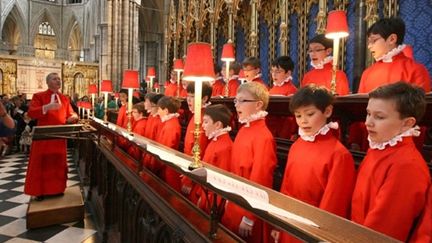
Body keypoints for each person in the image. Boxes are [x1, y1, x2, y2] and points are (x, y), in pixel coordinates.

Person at [273, 85, 356, 243]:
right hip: (290, 220)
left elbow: (334, 204)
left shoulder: (339, 154)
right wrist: (279, 225)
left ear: (327, 111)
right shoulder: (297, 145)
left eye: (310, 114)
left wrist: (321, 236)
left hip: (313, 227)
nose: (303, 121)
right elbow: (285, 187)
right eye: (298, 116)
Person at [351, 82, 431, 242]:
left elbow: (386, 228)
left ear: (407, 123)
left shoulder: (407, 165)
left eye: (379, 117)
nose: (368, 122)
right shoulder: (379, 148)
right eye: (368, 113)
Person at [221, 82, 277, 243]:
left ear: (258, 105)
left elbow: (261, 179)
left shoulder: (263, 137)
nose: (237, 105)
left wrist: (249, 217)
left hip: (248, 207)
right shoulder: (244, 129)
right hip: (235, 201)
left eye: (242, 101)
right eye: (236, 101)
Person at [24, 72, 78, 201]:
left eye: (59, 79)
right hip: (43, 137)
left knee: (57, 164)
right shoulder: (39, 96)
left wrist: (73, 117)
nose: (58, 81)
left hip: (59, 136)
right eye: (54, 79)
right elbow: (31, 113)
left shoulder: (64, 98)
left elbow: (71, 113)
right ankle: (39, 191)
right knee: (41, 163)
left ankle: (57, 189)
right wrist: (47, 107)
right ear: (47, 82)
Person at [358, 17, 430, 93]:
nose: (369, 46)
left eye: (373, 40)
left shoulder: (416, 70)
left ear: (392, 39)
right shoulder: (367, 73)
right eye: (369, 42)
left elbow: (420, 103)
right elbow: (359, 104)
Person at [196, 104, 233, 212]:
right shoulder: (215, 141)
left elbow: (221, 183)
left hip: (212, 201)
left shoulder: (225, 147)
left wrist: (210, 206)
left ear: (217, 125)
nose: (203, 125)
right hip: (206, 195)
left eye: (206, 122)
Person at [181, 82, 212, 202]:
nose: (189, 100)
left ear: (204, 98)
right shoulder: (195, 116)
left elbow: (200, 153)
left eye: (193, 97)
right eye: (188, 96)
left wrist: (189, 181)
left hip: (196, 179)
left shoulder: (205, 119)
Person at [266, 56, 298, 139]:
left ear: (288, 73)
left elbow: (294, 115)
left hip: (284, 131)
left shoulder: (292, 90)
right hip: (271, 129)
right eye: (272, 71)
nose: (274, 74)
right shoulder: (271, 89)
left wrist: (293, 132)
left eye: (278, 71)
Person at [155, 96, 182, 191]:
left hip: (167, 170)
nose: (157, 112)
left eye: (159, 109)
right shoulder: (169, 123)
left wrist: (154, 165)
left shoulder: (171, 126)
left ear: (166, 111)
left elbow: (165, 149)